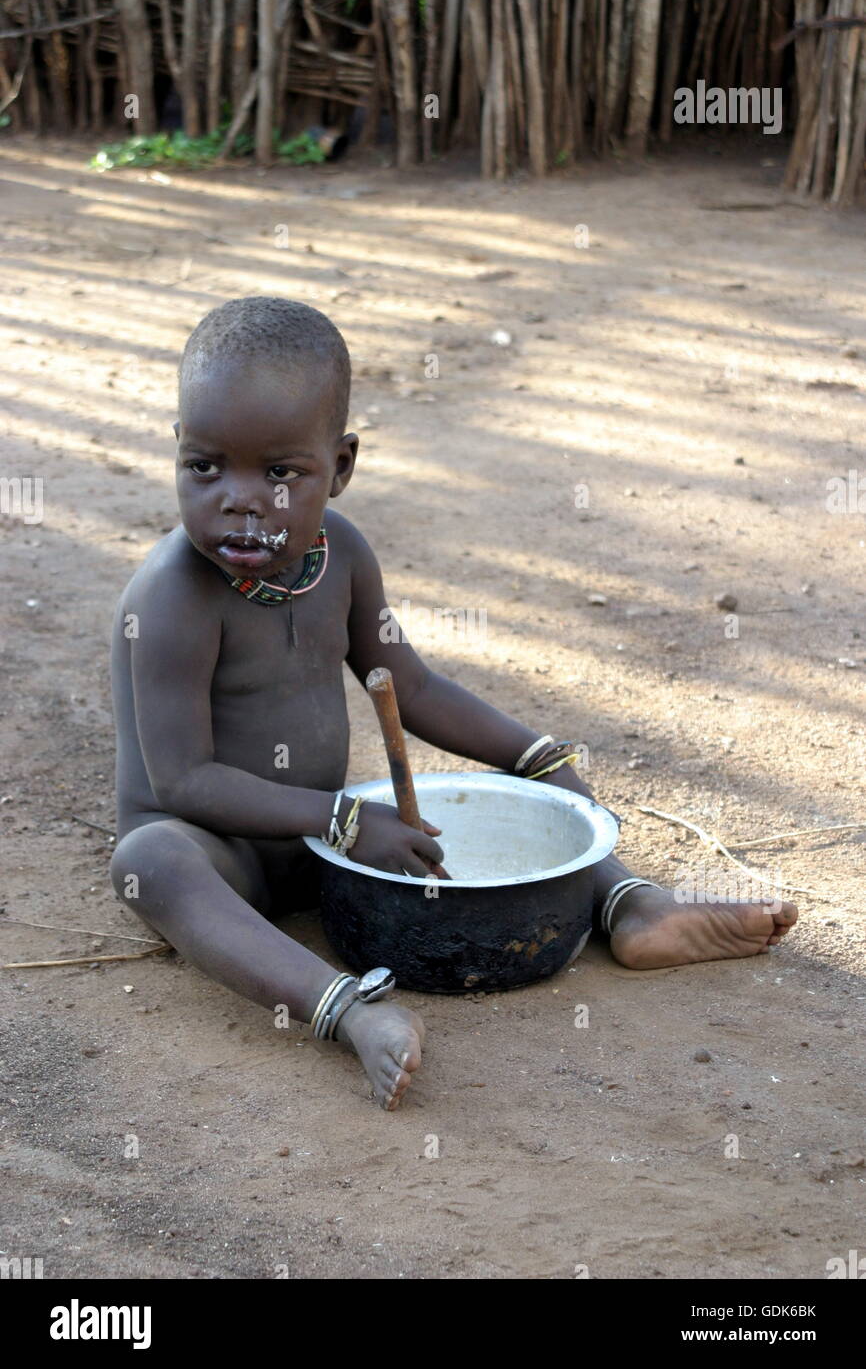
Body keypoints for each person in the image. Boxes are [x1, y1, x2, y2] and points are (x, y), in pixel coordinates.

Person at [109, 296, 798, 1111]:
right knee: (148, 861)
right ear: (177, 450)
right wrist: (343, 820)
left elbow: (413, 687)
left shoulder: (342, 555)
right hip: (226, 854)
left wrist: (538, 757)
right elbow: (185, 781)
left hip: (322, 841)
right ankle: (350, 1010)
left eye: (282, 474)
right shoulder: (170, 598)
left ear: (341, 466)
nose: (240, 498)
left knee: (507, 789)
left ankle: (630, 905)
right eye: (206, 467)